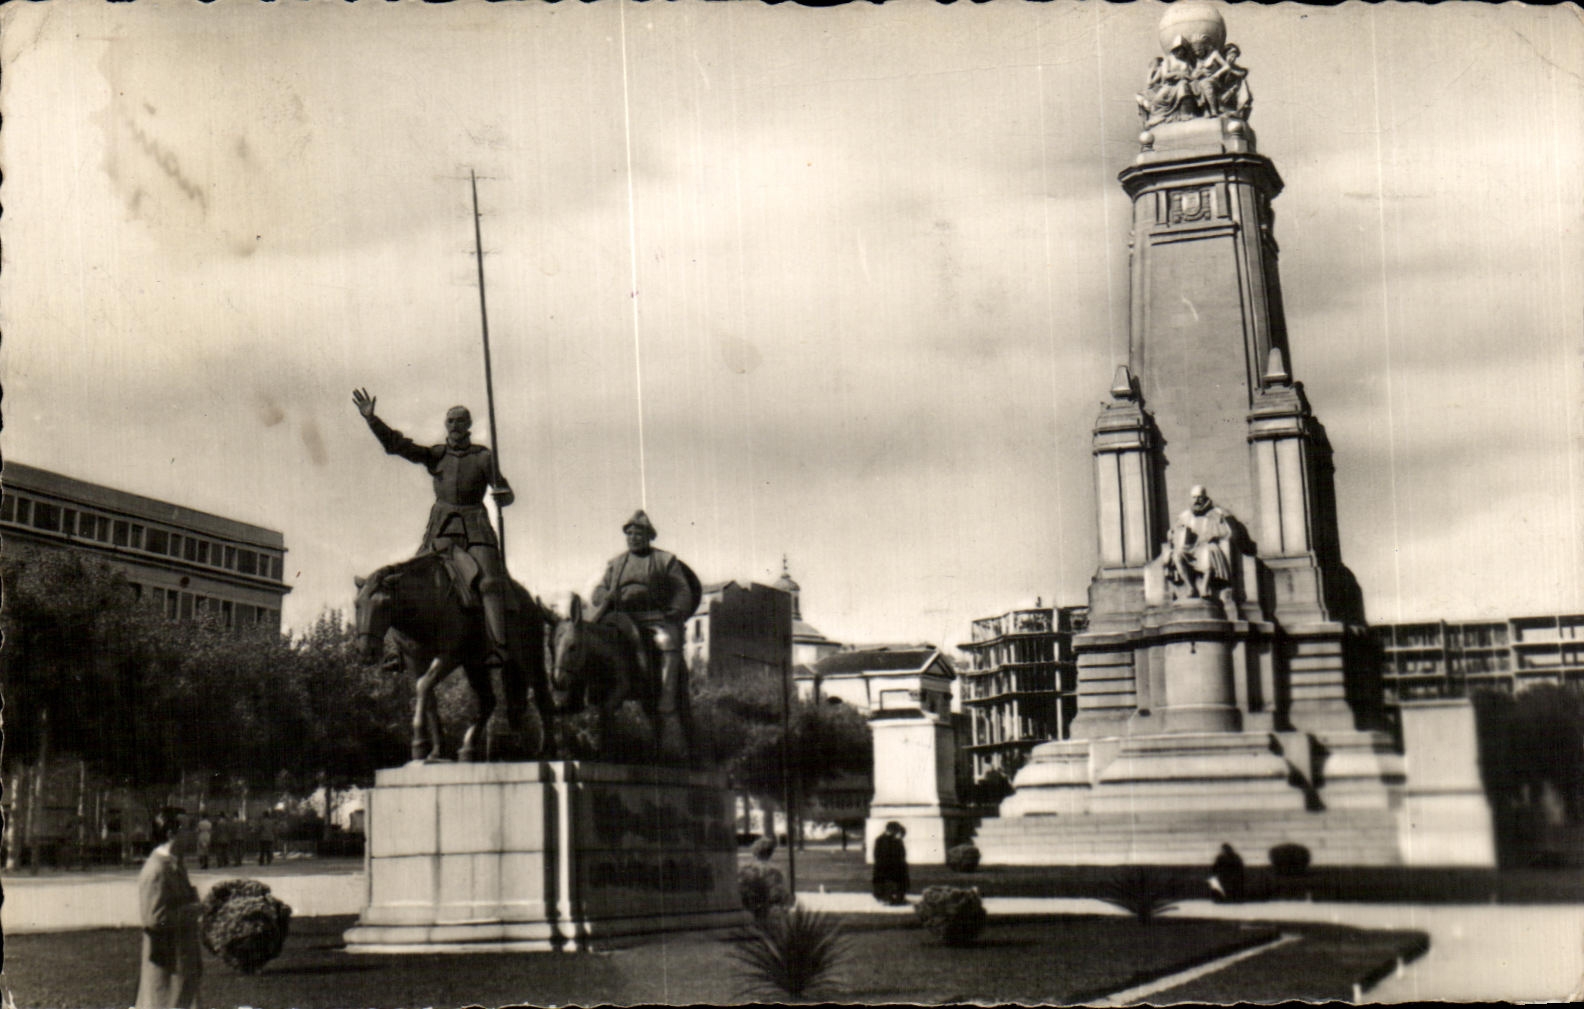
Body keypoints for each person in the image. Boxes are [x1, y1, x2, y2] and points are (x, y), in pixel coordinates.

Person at [353, 388, 516, 675]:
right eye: (450, 421)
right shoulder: (436, 456)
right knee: (403, 581)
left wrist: (504, 495)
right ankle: (400, 651)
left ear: (468, 425)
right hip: (440, 530)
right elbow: (397, 446)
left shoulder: (483, 457)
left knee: (489, 582)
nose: (455, 426)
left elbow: (504, 489)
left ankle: (498, 645)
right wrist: (371, 420)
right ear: (446, 426)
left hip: (475, 529)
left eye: (460, 421)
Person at [588, 510, 701, 760]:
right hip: (620, 617)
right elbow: (599, 589)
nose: (632, 537)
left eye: (638, 533)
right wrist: (601, 596)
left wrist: (675, 610)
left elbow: (682, 589)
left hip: (654, 618)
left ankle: (666, 699)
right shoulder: (616, 563)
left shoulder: (665, 560)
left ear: (648, 536)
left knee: (667, 641)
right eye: (629, 533)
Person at [136, 809, 203, 1009]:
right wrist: (194, 909)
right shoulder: (157, 870)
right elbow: (155, 919)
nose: (194, 833)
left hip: (181, 964)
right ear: (170, 834)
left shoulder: (175, 863)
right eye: (189, 828)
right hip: (168, 969)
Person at [1165, 485, 1238, 600]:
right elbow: (1172, 533)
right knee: (1177, 555)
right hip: (1190, 547)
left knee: (1209, 552)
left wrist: (1214, 535)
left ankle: (1205, 586)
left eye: (1199, 497)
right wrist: (1173, 533)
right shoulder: (1185, 515)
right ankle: (1190, 587)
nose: (1197, 500)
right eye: (1194, 497)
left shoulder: (1217, 513)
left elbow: (1228, 533)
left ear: (1205, 497)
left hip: (1206, 545)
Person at [872, 821, 909, 906]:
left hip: (891, 865)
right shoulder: (885, 840)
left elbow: (902, 853)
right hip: (886, 866)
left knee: (897, 881)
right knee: (888, 882)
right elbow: (880, 854)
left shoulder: (886, 839)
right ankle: (888, 898)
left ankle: (896, 897)